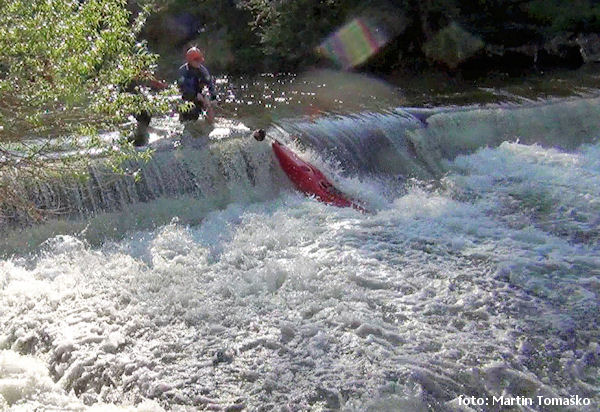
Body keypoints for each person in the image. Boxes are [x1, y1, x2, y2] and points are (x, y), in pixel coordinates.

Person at [178, 47, 217, 125]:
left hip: (200, 95)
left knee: (210, 106)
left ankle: (211, 125)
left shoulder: (203, 71)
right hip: (187, 98)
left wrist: (213, 98)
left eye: (199, 60)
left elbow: (210, 85)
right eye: (196, 60)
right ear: (190, 60)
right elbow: (183, 88)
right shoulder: (183, 71)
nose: (199, 62)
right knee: (189, 115)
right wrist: (195, 95)